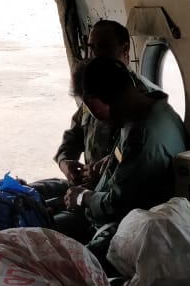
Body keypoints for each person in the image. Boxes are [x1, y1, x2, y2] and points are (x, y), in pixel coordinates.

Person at [59, 56, 188, 262]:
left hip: (131, 229)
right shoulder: (148, 114)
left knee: (59, 260)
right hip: (112, 215)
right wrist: (104, 170)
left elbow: (118, 205)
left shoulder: (143, 136)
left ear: (97, 105)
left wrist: (83, 198)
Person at [54, 20, 161, 189]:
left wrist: (110, 165)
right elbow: (74, 136)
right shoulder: (92, 87)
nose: (94, 54)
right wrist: (65, 163)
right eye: (91, 47)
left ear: (125, 49)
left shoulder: (141, 97)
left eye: (103, 47)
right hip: (90, 188)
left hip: (114, 191)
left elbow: (140, 155)